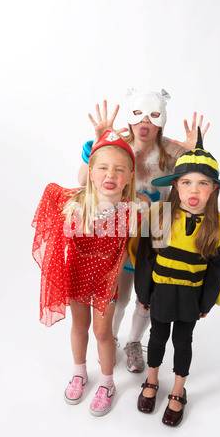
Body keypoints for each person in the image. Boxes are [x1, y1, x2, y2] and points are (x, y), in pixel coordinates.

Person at [78, 88, 210, 374]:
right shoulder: (118, 144)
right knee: (120, 295)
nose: (145, 121)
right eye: (138, 114)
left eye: (153, 115)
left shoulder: (173, 150)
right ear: (130, 118)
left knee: (147, 298)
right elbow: (82, 180)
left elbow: (196, 183)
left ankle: (134, 342)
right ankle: (110, 338)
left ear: (162, 120)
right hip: (120, 226)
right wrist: (100, 140)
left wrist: (193, 153)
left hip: (158, 224)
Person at [130, 128, 220, 426]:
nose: (194, 191)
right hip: (161, 294)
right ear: (176, 186)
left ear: (213, 189)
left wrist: (206, 303)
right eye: (186, 183)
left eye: (202, 183)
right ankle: (152, 380)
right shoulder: (158, 216)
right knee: (157, 338)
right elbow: (145, 259)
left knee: (183, 342)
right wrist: (144, 295)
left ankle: (178, 389)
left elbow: (218, 270)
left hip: (190, 298)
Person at [32, 131, 146, 417]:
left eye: (119, 169)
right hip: (77, 277)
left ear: (130, 176)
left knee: (102, 332)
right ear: (92, 174)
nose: (111, 174)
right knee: (79, 327)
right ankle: (79, 372)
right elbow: (52, 196)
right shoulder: (75, 203)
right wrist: (95, 145)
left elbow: (131, 249)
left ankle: (107, 382)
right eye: (103, 168)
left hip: (107, 282)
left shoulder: (134, 210)